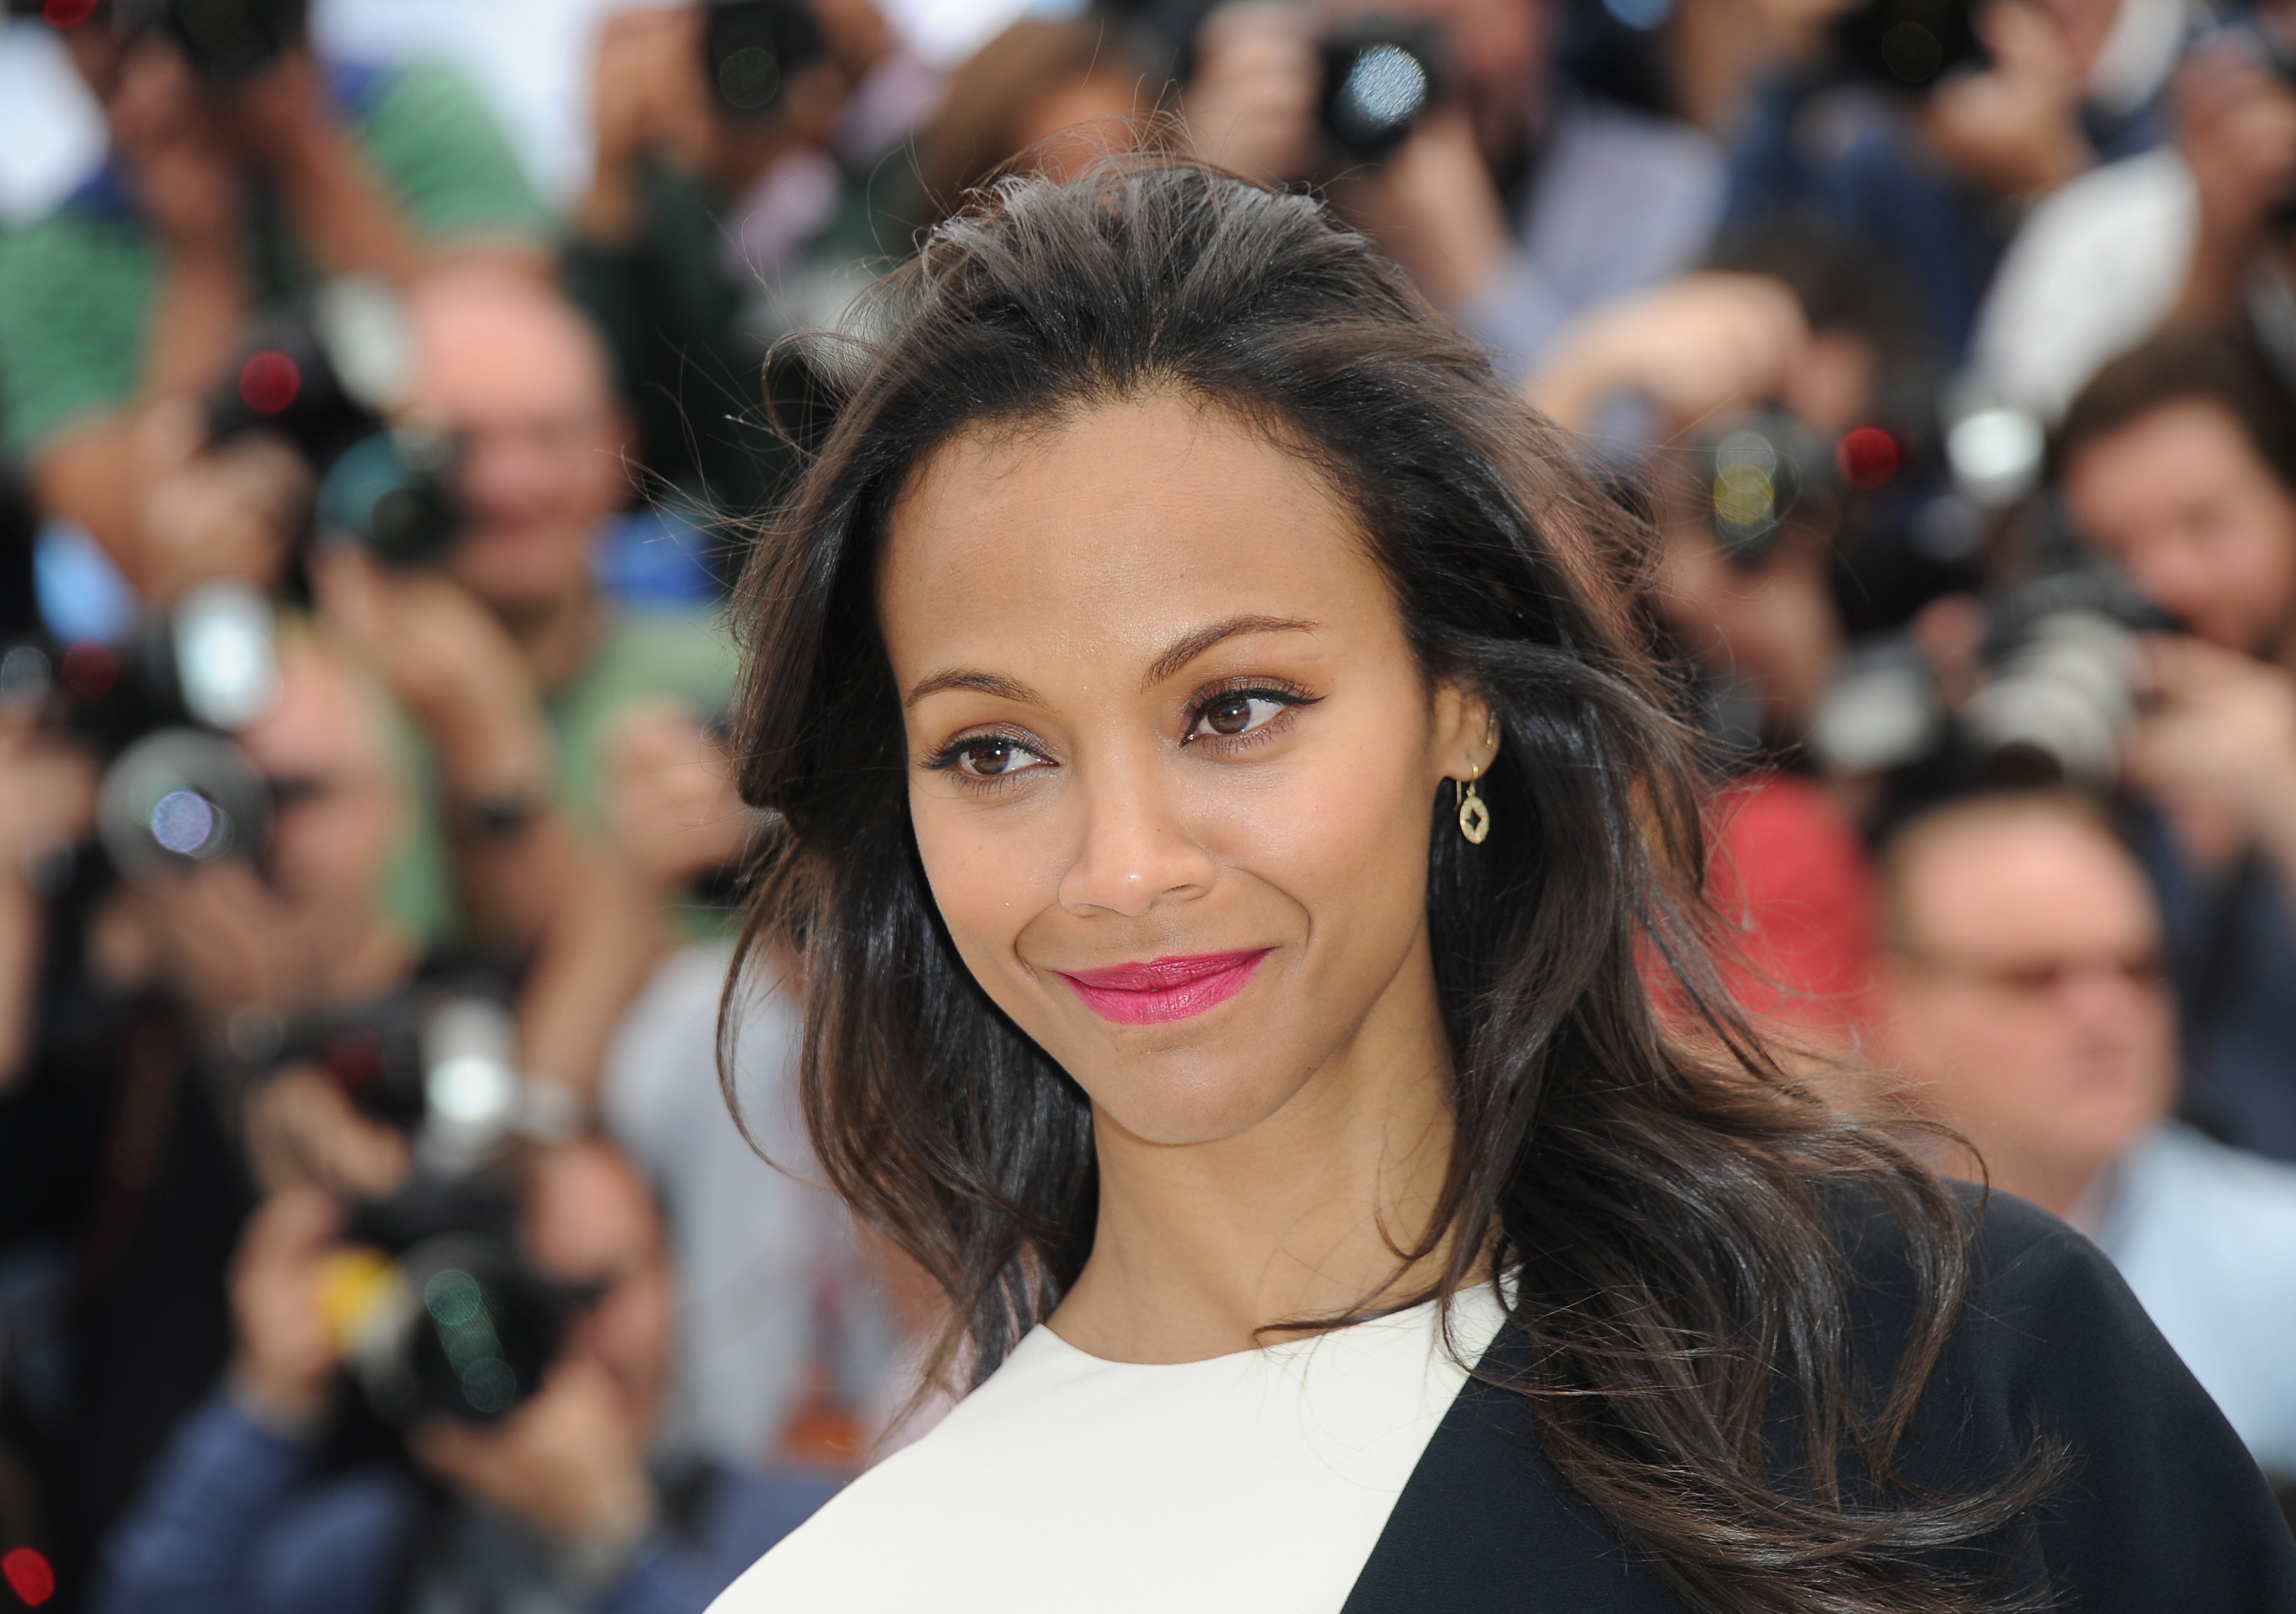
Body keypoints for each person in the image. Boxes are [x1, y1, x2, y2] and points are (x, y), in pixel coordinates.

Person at [705, 160, 2295, 1612]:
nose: (1125, 868)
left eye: (1235, 710)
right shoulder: (857, 1586)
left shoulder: (1934, 1352)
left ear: (1459, 702)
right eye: (993, 750)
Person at [91, 1136, 835, 1613]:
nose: (583, 1342)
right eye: (533, 1306)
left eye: (602, 1290)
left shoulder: (792, 1528)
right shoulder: (389, 1545)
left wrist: (616, 1546)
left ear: (672, 1277)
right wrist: (267, 1405)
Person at [0, 0, 550, 599]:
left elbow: (520, 399)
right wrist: (201, 254)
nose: (156, 51)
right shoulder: (52, 262)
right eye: (93, 17)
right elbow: (149, 558)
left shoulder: (416, 113)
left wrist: (302, 147)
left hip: (474, 572)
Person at [1875, 791, 2296, 1484]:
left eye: (2139, 967)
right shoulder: (1824, 1266)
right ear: (1902, 1006)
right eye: (2037, 977)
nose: (2106, 1012)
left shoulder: (2278, 1261)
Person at [314, 265, 740, 948]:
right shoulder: (316, 710)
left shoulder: (732, 678)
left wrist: (486, 729)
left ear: (618, 453)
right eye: (459, 445)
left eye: (552, 436)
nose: (513, 483)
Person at [1185, 0, 1724, 376]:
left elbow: (1614, 464)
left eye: (1459, 22)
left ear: (1544, 17)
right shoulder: (1277, 154)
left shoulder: (1660, 187)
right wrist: (1200, 188)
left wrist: (1472, 274)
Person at [2055, 329, 2296, 1161]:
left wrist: (2282, 796)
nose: (2166, 582)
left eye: (2206, 525)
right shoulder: (2075, 744)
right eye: (2115, 550)